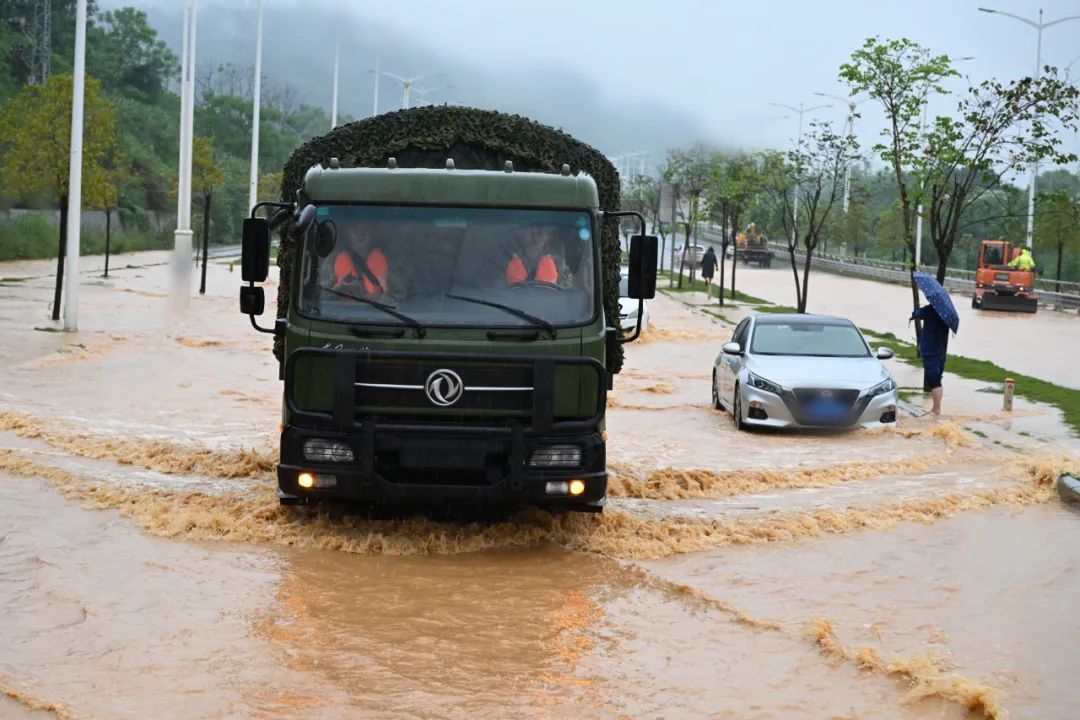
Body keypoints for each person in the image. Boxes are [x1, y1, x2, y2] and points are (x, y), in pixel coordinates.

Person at [330, 222, 389, 299]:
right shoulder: (333, 259)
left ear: (372, 232)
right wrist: (337, 290)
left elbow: (400, 295)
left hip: (380, 310)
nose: (360, 234)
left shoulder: (387, 259)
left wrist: (382, 298)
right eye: (355, 230)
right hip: (342, 310)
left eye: (364, 229)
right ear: (348, 233)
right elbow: (321, 296)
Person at [910, 304, 950, 415]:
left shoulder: (931, 309)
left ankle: (936, 409)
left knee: (933, 379)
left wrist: (921, 309)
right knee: (936, 378)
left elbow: (916, 314)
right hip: (941, 349)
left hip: (931, 350)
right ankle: (936, 408)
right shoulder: (946, 313)